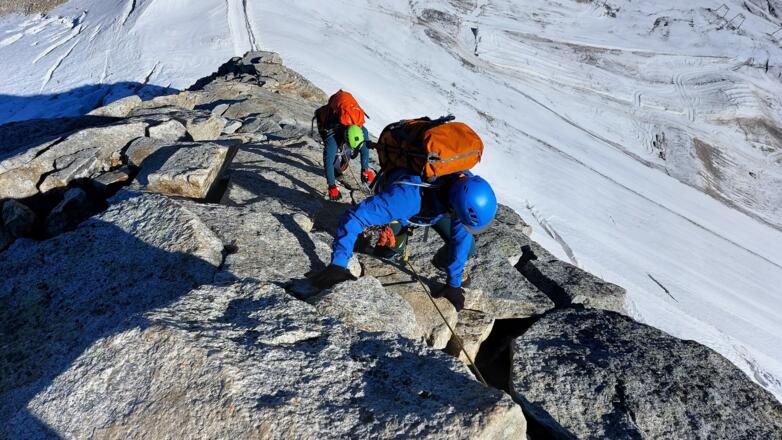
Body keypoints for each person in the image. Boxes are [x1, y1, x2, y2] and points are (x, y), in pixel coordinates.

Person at [309, 168, 497, 311]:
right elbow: (355, 217)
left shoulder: (462, 182)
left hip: (435, 207)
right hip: (404, 204)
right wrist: (338, 264)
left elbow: (461, 239)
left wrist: (453, 284)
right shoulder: (405, 199)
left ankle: (440, 262)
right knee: (389, 250)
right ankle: (364, 244)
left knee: (468, 247)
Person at [313, 90, 375, 201]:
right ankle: (336, 169)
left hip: (343, 120)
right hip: (325, 122)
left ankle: (339, 165)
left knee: (342, 158)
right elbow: (327, 159)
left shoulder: (361, 130)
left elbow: (364, 149)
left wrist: (365, 169)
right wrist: (332, 186)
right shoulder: (332, 134)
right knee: (333, 153)